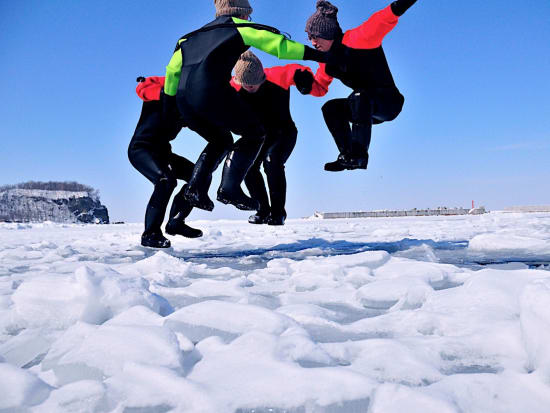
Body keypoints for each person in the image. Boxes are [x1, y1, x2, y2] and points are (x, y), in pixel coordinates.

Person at [163, 0, 327, 213]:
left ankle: (195, 189)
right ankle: (229, 189)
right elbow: (279, 46)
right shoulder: (239, 28)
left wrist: (170, 111)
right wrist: (320, 55)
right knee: (255, 134)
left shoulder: (187, 38)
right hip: (209, 92)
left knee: (220, 140)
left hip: (183, 101)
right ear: (243, 13)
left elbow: (172, 74)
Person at [301, 0, 418, 172]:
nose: (312, 42)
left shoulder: (358, 39)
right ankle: (347, 155)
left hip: (388, 103)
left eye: (315, 36)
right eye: (309, 37)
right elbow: (320, 87)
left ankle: (358, 156)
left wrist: (401, 4)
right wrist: (305, 85)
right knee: (330, 108)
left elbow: (384, 18)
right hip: (363, 109)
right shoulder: (326, 61)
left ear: (328, 33)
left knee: (359, 96)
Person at [230, 51, 321, 226]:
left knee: (272, 162)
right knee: (248, 166)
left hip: (283, 133)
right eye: (246, 85)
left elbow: (299, 69)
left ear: (261, 76)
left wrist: (305, 79)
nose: (250, 87)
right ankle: (262, 210)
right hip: (258, 137)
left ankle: (278, 213)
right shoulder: (233, 87)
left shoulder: (276, 76)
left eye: (254, 83)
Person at [128, 76, 205, 248]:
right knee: (166, 181)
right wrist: (166, 94)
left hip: (163, 153)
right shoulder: (171, 84)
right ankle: (150, 234)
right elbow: (144, 87)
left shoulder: (190, 103)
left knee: (198, 175)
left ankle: (176, 221)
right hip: (141, 150)